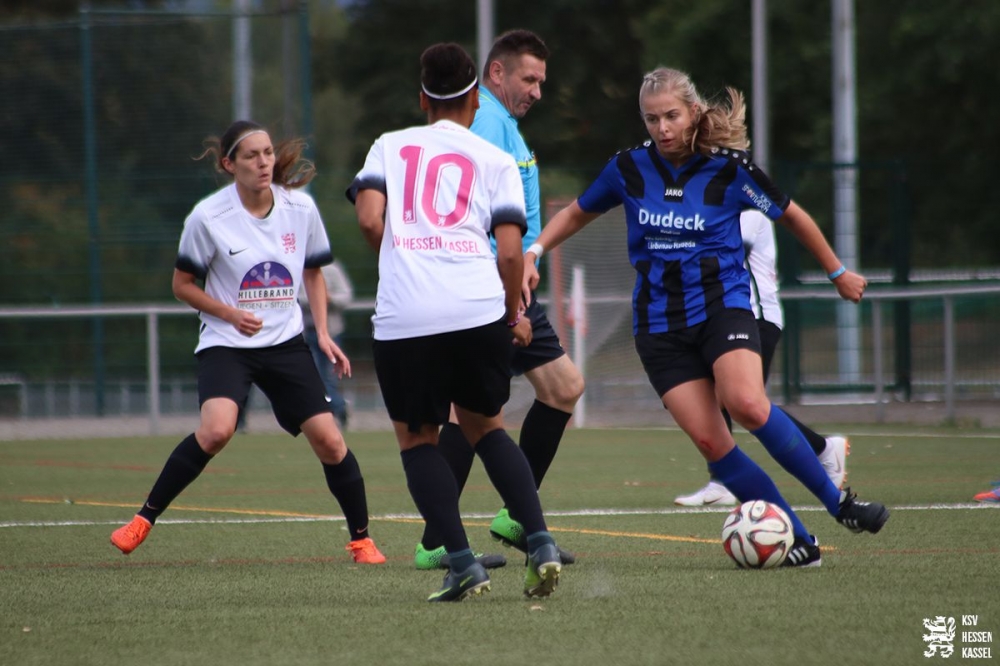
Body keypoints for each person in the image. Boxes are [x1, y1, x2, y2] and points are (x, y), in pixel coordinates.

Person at [523, 66, 890, 567]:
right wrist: (535, 251)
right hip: (658, 328)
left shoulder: (730, 169)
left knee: (747, 404)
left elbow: (792, 214)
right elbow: (576, 213)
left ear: (693, 112)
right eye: (652, 119)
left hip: (723, 308)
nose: (662, 128)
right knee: (711, 442)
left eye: (671, 116)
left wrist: (838, 272)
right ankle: (799, 540)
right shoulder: (628, 169)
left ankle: (841, 504)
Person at [110, 120, 386, 565]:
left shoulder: (300, 208)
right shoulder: (207, 217)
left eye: (268, 153)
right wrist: (230, 314)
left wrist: (320, 332)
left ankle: (362, 541)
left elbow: (313, 272)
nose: (263, 162)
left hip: (285, 344)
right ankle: (142, 520)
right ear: (229, 164)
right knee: (217, 430)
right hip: (227, 344)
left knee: (331, 442)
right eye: (252, 155)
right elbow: (182, 285)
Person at [348, 42, 564, 600]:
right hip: (477, 310)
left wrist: (401, 254)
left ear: (423, 98)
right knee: (487, 428)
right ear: (474, 98)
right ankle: (541, 543)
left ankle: (463, 563)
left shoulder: (388, 145)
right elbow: (510, 253)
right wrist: (513, 312)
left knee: (418, 440)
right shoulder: (496, 160)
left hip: (407, 315)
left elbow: (369, 219)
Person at [412, 28, 583, 571]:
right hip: (492, 283)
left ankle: (513, 516)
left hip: (511, 281)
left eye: (541, 81)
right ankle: (436, 542)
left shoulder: (503, 123)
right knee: (473, 412)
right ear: (496, 73)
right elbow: (468, 206)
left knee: (561, 388)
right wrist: (503, 285)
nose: (537, 91)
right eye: (528, 79)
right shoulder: (484, 119)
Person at [674, 209, 850, 506]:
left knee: (743, 401)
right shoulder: (709, 206)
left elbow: (726, 248)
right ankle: (723, 479)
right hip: (724, 317)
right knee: (724, 398)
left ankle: (821, 450)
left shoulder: (748, 209)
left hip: (756, 316)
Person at [298, 259, 353, 429]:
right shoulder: (296, 266)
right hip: (306, 332)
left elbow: (346, 295)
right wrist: (316, 298)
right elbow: (295, 298)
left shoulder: (333, 269)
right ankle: (332, 410)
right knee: (313, 377)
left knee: (328, 377)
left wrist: (329, 299)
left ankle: (336, 410)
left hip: (332, 333)